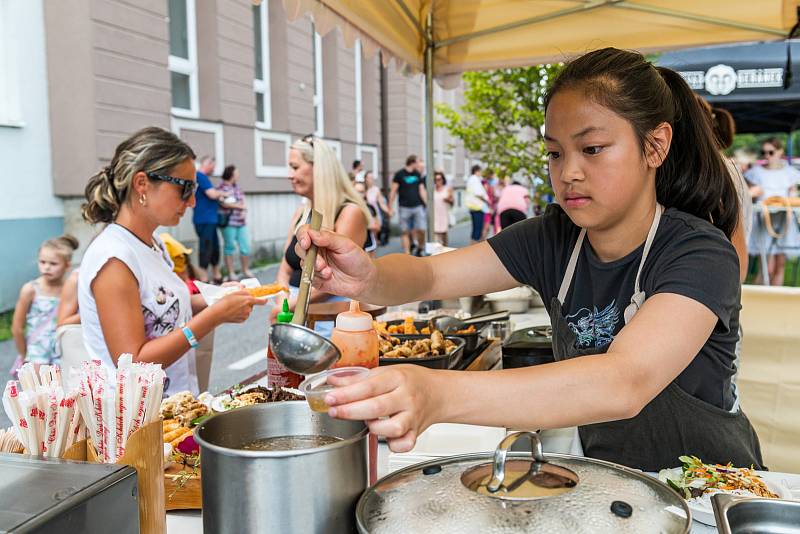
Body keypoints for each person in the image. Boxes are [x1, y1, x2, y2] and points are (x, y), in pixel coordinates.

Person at [294, 47, 764, 472]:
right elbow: (431, 273)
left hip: (715, 490)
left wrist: (436, 393)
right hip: (619, 483)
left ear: (655, 145)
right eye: (555, 153)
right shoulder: (553, 238)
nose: (569, 172)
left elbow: (623, 381)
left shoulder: (700, 252)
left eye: (592, 149)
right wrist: (368, 276)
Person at [79, 127, 263, 395]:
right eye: (185, 188)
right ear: (141, 183)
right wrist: (213, 316)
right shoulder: (114, 258)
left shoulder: (155, 244)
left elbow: (166, 309)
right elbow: (132, 364)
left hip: (170, 408)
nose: (191, 202)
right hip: (138, 426)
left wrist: (220, 299)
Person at [270, 135, 371, 328]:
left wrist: (292, 304)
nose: (289, 175)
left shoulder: (349, 213)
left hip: (329, 320)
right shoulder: (301, 213)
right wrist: (283, 299)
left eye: (295, 167)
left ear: (318, 169)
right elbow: (284, 268)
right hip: (293, 313)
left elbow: (338, 278)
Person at [11, 235, 79, 371]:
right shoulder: (30, 289)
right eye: (42, 262)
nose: (47, 267)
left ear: (67, 265)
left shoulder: (70, 290)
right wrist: (25, 356)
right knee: (37, 391)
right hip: (36, 354)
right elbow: (17, 328)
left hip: (62, 352)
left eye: (53, 264)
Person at [745, 137, 800, 286]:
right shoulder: (756, 173)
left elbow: (792, 195)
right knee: (765, 267)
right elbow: (749, 196)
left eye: (771, 152)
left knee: (780, 264)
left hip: (784, 221)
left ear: (779, 152)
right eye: (764, 152)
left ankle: (778, 298)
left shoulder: (789, 173)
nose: (767, 156)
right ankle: (761, 299)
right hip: (764, 221)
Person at [217, 165, 254, 281]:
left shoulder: (237, 187)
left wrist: (244, 209)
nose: (238, 175)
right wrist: (239, 206)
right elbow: (222, 203)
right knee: (229, 247)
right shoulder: (221, 188)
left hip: (241, 222)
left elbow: (243, 200)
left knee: (246, 246)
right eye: (236, 173)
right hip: (229, 222)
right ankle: (231, 273)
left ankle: (245, 270)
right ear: (231, 174)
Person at [193, 156, 224, 284]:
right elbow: (212, 194)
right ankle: (204, 279)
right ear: (208, 164)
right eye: (213, 166)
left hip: (210, 219)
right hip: (204, 219)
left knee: (215, 248)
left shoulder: (203, 177)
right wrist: (223, 194)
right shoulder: (200, 176)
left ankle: (216, 276)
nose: (214, 169)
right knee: (206, 247)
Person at [389, 155, 426, 255]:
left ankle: (420, 247)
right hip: (404, 207)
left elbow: (421, 190)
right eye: (418, 162)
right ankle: (407, 254)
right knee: (405, 231)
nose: (419, 164)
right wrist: (390, 207)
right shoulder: (399, 174)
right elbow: (393, 191)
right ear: (413, 162)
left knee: (422, 229)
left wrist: (427, 203)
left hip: (417, 206)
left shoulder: (417, 174)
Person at [362, 170, 390, 248]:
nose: (371, 179)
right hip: (364, 214)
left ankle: (372, 254)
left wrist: (388, 211)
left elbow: (381, 203)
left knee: (373, 237)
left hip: (374, 215)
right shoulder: (361, 189)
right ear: (365, 178)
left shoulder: (376, 189)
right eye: (369, 177)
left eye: (372, 178)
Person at [354, 181, 380, 257]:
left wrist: (365, 225)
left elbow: (377, 227)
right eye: (356, 191)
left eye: (361, 192)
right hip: (353, 245)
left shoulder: (369, 208)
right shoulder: (347, 207)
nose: (358, 194)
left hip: (368, 245)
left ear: (365, 193)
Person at [464, 164, 490, 243]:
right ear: (476, 171)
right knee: (477, 230)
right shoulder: (475, 179)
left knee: (475, 229)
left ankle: (472, 248)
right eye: (480, 171)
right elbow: (479, 193)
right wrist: (487, 201)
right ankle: (473, 249)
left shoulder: (471, 179)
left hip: (473, 207)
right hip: (477, 207)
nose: (481, 173)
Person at [432, 171, 453, 246]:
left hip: (444, 213)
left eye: (439, 179)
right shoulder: (432, 190)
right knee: (436, 234)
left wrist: (448, 200)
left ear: (443, 180)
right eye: (436, 179)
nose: (438, 181)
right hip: (435, 214)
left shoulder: (447, 189)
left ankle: (445, 249)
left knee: (444, 233)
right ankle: (437, 252)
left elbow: (452, 202)